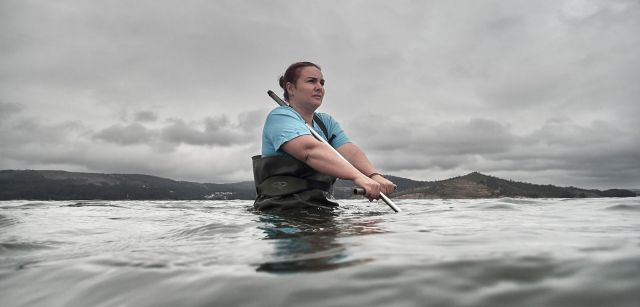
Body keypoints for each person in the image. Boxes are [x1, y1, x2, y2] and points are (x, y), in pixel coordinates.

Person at [252, 61, 395, 211]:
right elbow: (309, 151)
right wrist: (358, 177)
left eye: (322, 82)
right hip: (281, 209)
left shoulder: (325, 122)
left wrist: (373, 176)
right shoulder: (280, 117)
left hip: (320, 207)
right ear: (291, 88)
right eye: (311, 81)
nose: (319, 87)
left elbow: (348, 149)